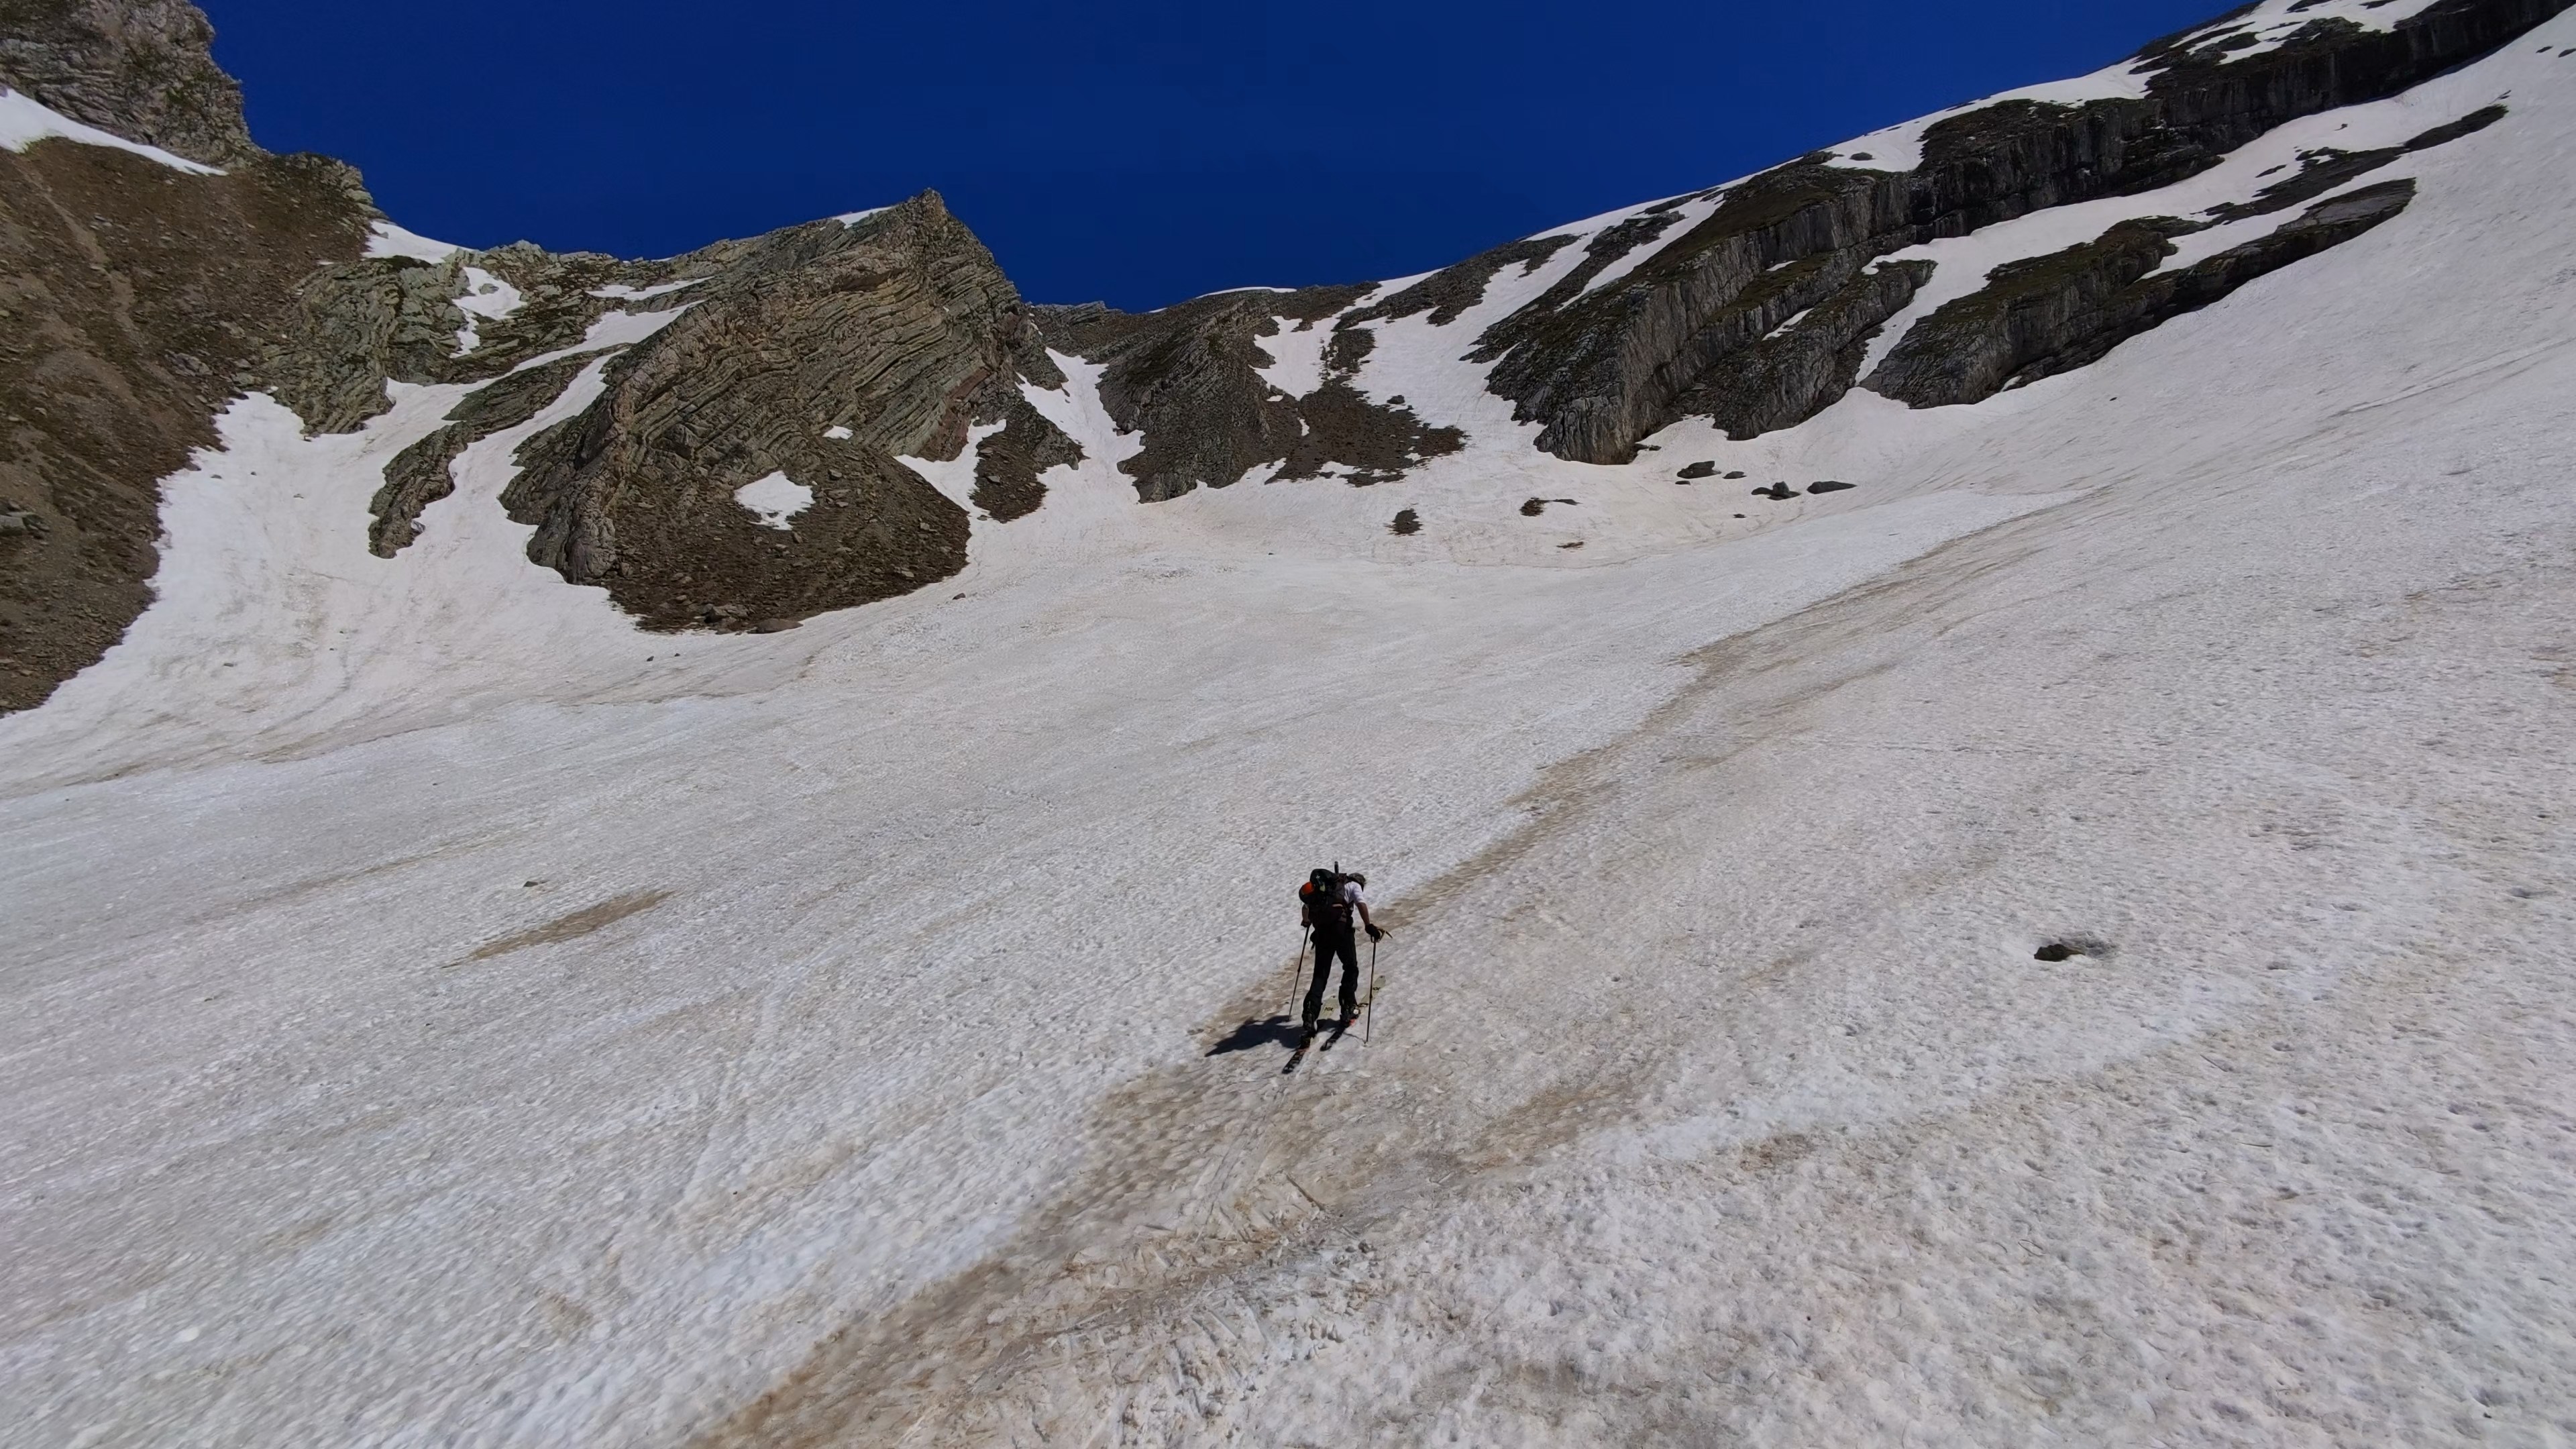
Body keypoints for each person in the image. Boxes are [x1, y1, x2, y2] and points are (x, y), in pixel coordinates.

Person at [1298, 867, 1385, 1044]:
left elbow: (1306, 907)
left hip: (1322, 933)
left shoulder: (1326, 889)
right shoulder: (1354, 886)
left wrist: (1307, 921)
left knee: (1320, 974)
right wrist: (1369, 925)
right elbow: (1361, 903)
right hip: (1341, 931)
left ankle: (1309, 1013)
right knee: (1350, 967)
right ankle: (1348, 1007)